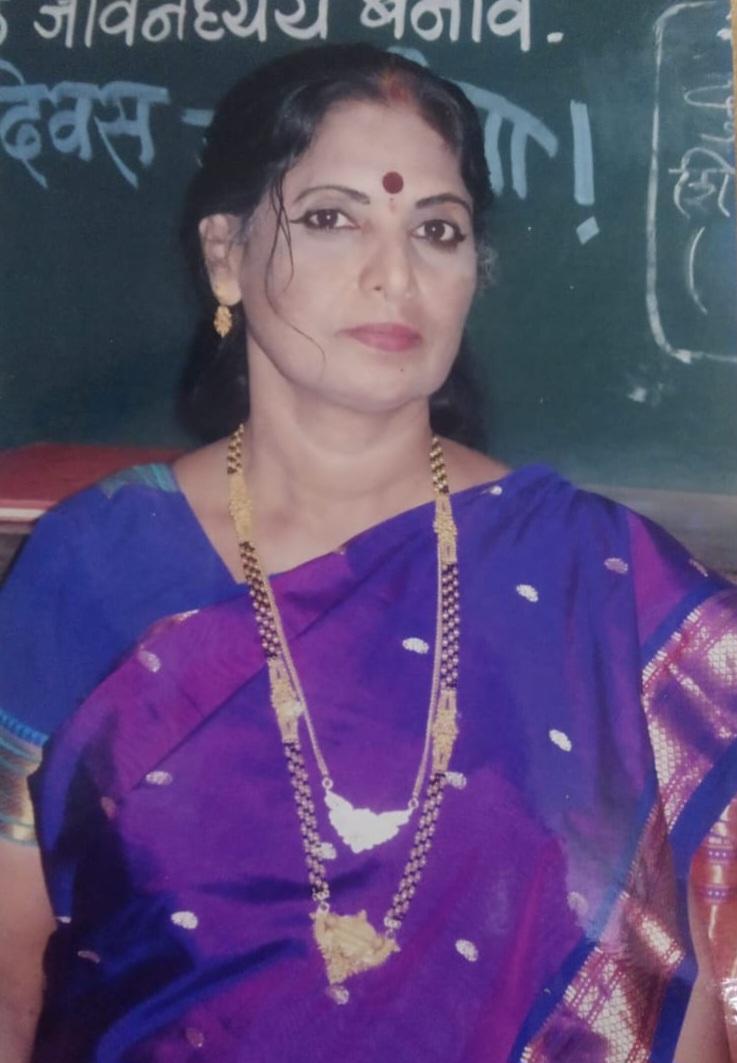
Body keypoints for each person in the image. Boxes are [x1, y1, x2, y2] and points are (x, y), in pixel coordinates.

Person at [0, 42, 735, 1063]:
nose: (395, 274)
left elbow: (667, 985)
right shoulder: (94, 564)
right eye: (331, 217)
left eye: (436, 229)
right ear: (225, 254)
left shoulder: (595, 582)